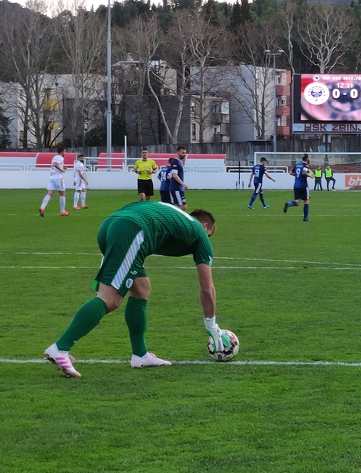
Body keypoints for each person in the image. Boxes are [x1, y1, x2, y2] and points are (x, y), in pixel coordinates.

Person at [42, 201, 228, 378]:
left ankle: (140, 355)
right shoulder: (200, 233)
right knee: (110, 299)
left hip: (111, 224)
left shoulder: (174, 214)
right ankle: (60, 348)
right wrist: (212, 327)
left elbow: (137, 210)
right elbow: (207, 289)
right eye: (209, 234)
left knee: (142, 288)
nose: (208, 239)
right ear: (205, 226)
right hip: (132, 230)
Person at [40, 146, 68, 217]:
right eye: (65, 151)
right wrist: (62, 170)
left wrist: (62, 168)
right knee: (63, 194)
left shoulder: (54, 157)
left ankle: (42, 207)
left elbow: (55, 164)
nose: (65, 153)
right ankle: (62, 211)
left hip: (52, 177)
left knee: (50, 194)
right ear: (62, 151)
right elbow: (55, 164)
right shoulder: (61, 158)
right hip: (58, 177)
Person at [284, 153, 312, 221]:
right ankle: (305, 218)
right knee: (306, 201)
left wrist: (297, 175)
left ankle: (289, 204)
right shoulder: (305, 166)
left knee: (297, 202)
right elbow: (304, 172)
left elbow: (290, 172)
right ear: (307, 158)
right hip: (303, 186)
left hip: (296, 185)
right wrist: (310, 175)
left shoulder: (297, 165)